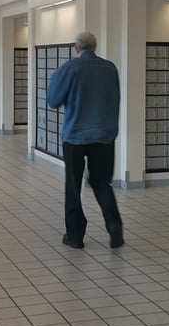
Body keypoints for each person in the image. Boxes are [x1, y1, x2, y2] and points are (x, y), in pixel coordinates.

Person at [47, 31, 124, 249]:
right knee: (101, 183)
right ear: (95, 46)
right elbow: (115, 99)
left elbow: (53, 100)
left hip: (75, 136)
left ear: (76, 48)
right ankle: (114, 226)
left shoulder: (69, 69)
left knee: (73, 186)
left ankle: (75, 235)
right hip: (104, 136)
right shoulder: (110, 68)